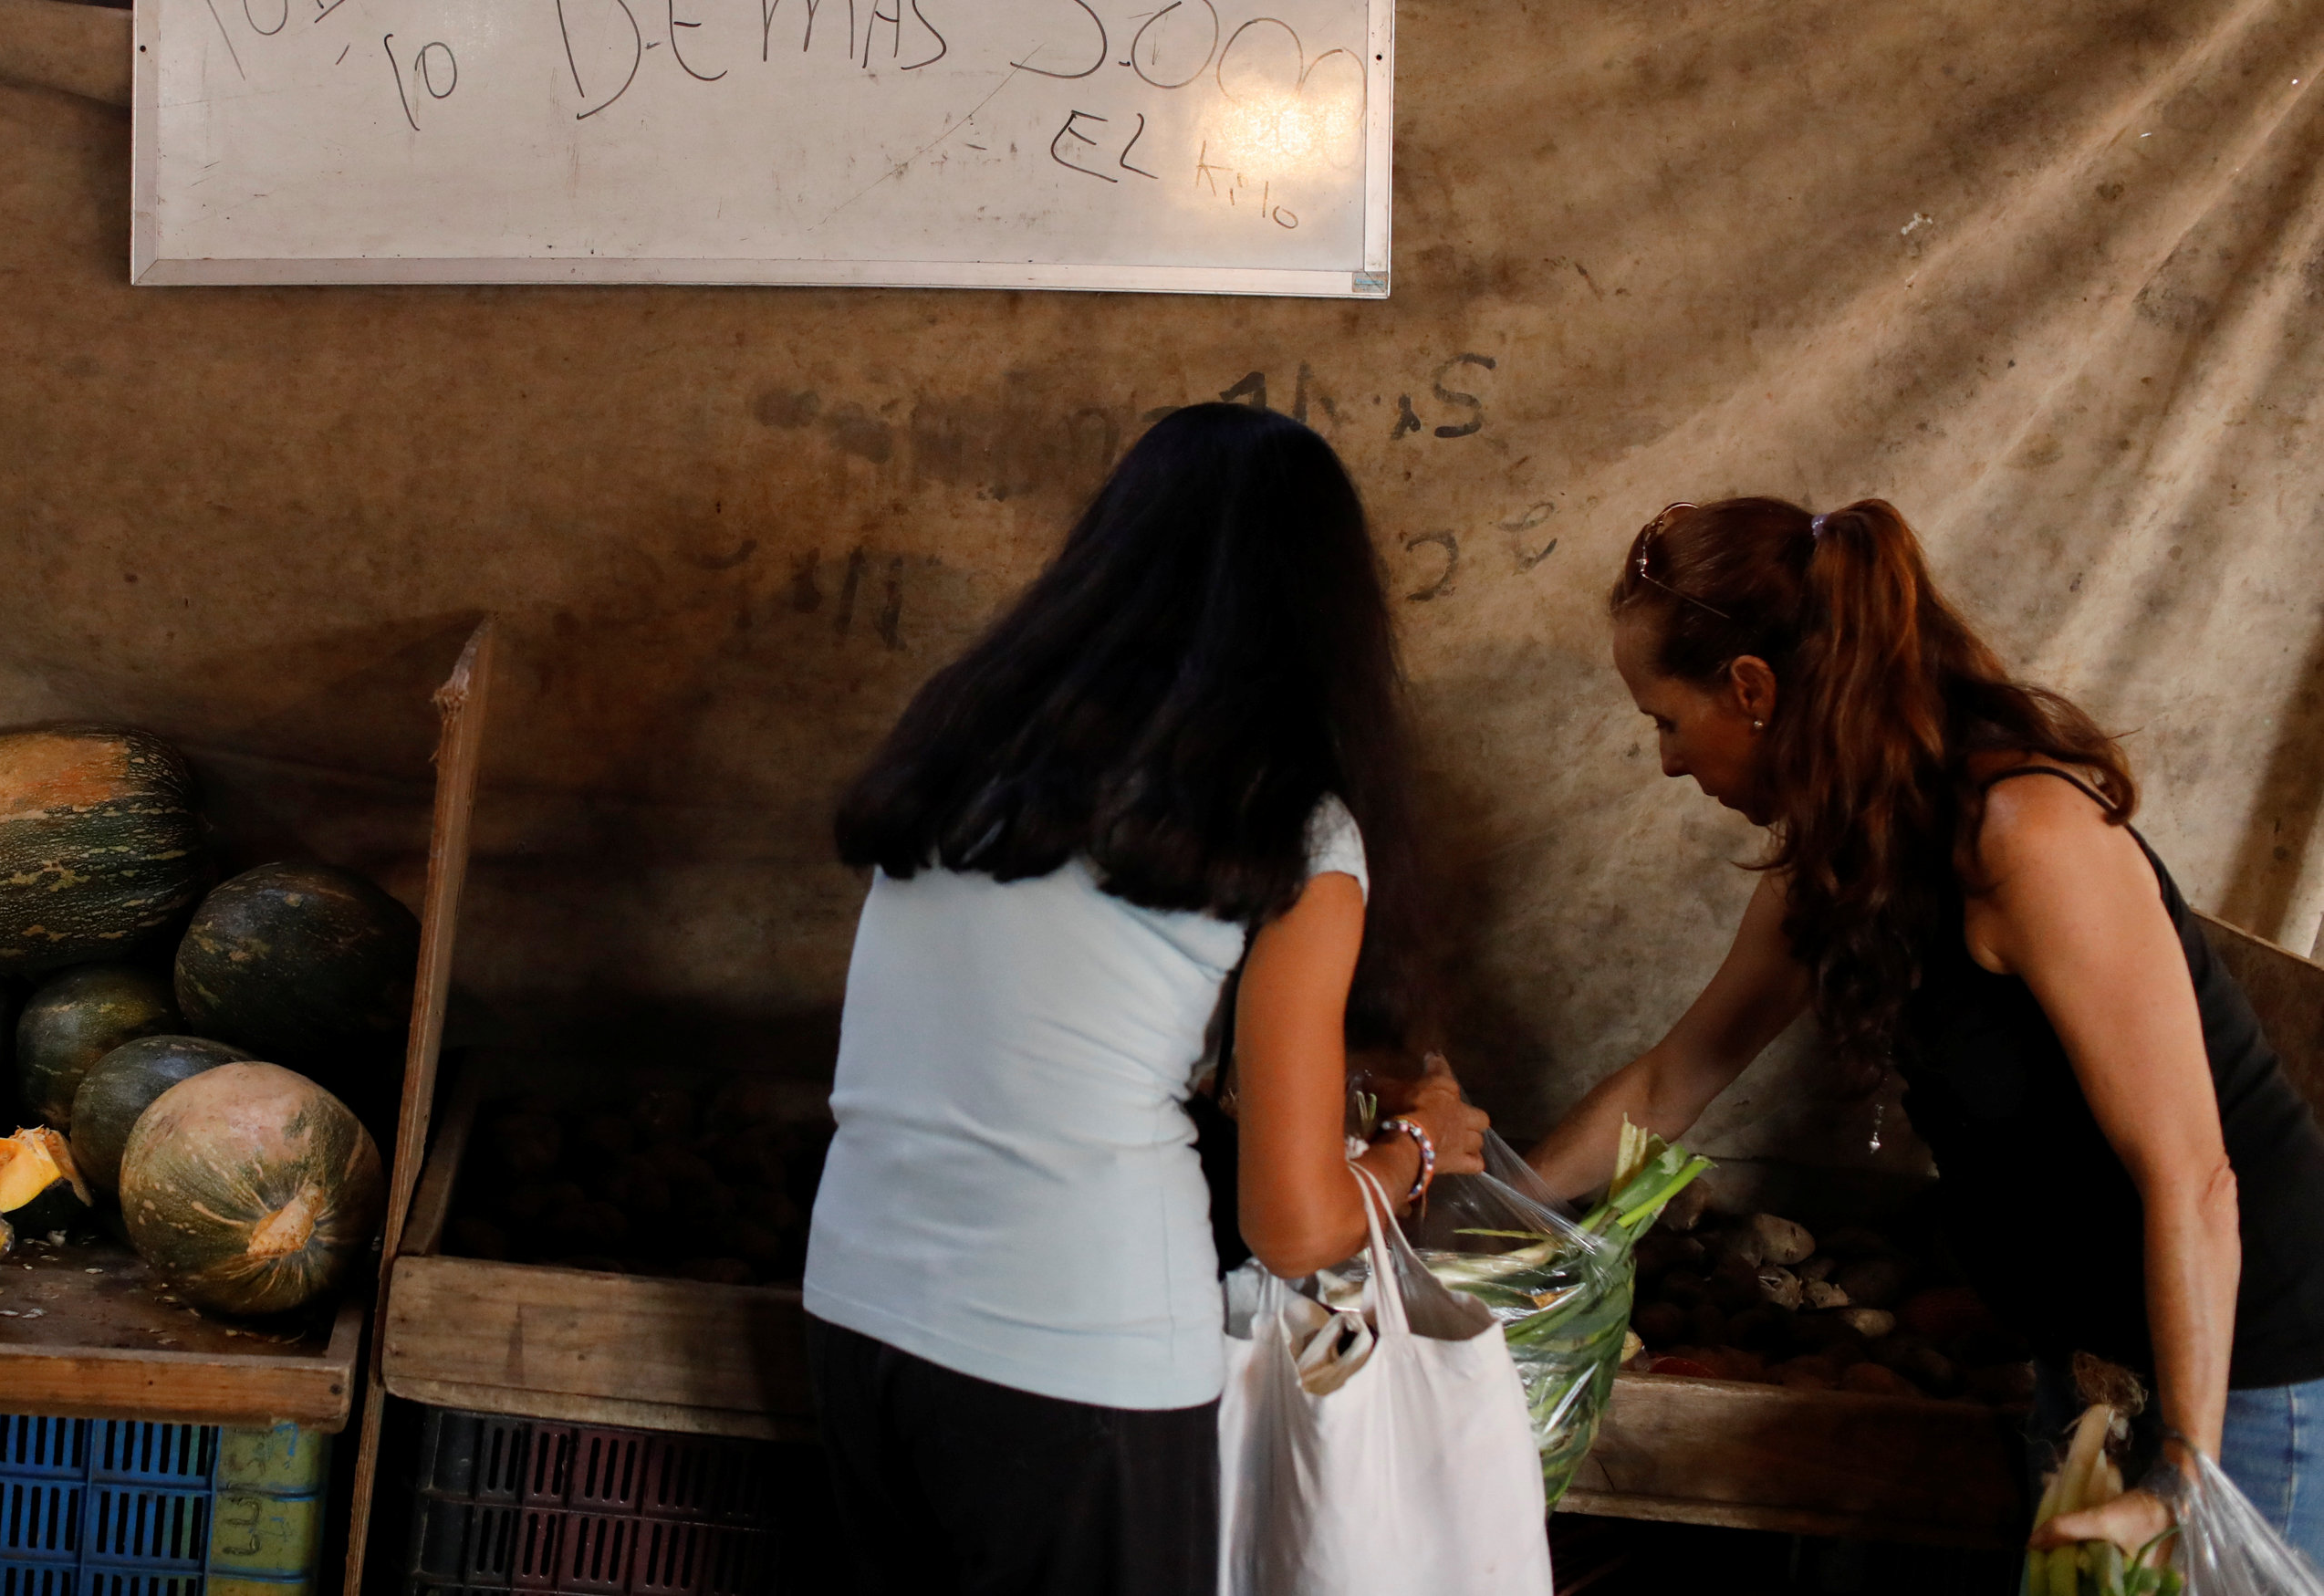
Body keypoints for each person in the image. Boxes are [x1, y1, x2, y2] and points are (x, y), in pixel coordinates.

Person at [1534, 497, 2324, 1566]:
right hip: (2086, 1355)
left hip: (2245, 1370)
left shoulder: (2025, 836)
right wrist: (1475, 1214)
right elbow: (1674, 1076)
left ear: (1752, 688)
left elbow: (2191, 1177)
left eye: (1664, 720)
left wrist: (2184, 1466)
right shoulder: (1834, 860)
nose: (1668, 761)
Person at [799, 402, 1489, 1596]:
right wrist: (1423, 1147)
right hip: (1080, 1362)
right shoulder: (1296, 827)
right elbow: (1297, 1223)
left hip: (858, 1315)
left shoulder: (964, 746)